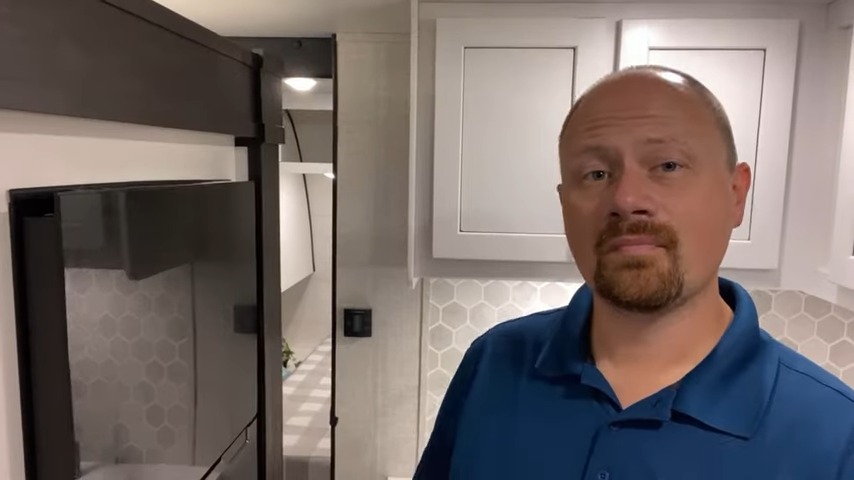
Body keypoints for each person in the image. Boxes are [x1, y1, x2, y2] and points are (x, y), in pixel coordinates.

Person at [414, 65, 854, 480]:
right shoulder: (493, 362)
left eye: (667, 166)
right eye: (596, 173)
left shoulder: (836, 436)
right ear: (564, 204)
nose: (625, 199)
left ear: (736, 195)